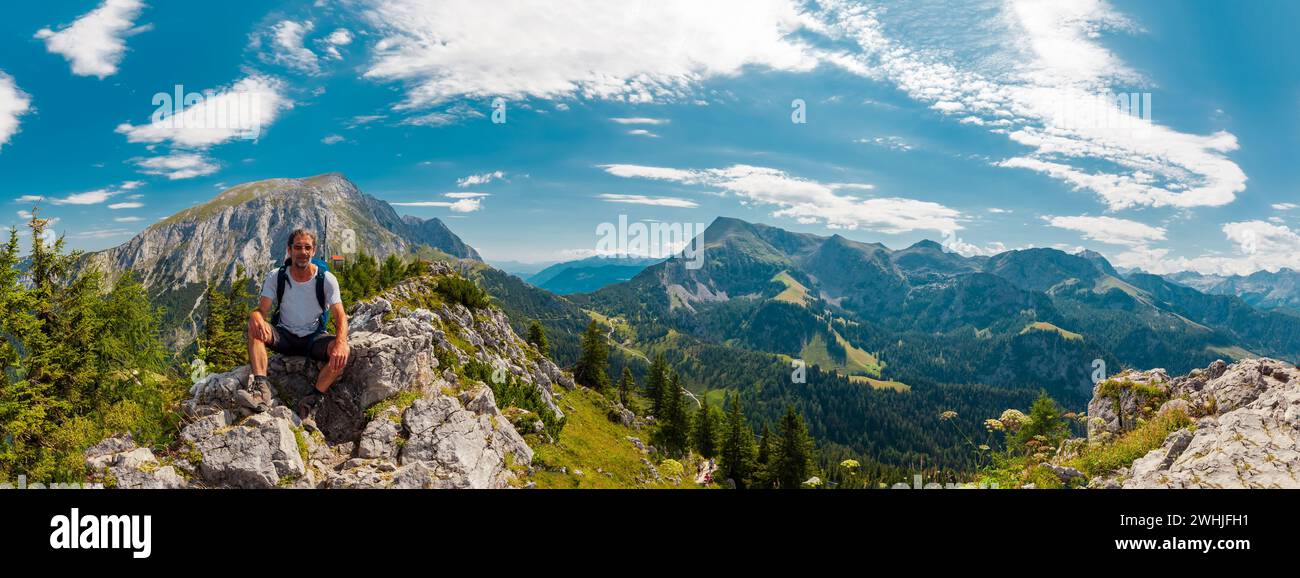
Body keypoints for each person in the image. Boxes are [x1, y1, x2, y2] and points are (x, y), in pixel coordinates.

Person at [241, 228, 350, 431]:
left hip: (313, 339)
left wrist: (341, 343)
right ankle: (261, 390)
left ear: (313, 251)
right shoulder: (277, 276)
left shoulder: (326, 279)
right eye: (298, 247)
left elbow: (340, 316)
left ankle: (311, 401)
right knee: (254, 328)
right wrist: (255, 316)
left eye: (307, 247)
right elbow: (261, 310)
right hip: (284, 336)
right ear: (289, 250)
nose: (302, 252)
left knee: (343, 353)